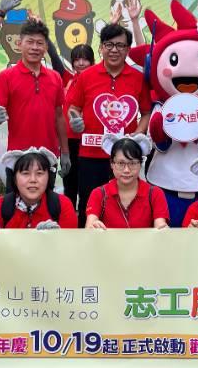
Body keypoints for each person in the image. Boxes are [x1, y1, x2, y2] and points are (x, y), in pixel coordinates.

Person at [68, 24, 152, 224]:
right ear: (101, 48)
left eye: (120, 46)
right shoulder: (86, 76)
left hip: (125, 159)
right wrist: (75, 121)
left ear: (128, 49)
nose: (114, 50)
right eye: (109, 45)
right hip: (91, 154)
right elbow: (74, 107)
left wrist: (135, 136)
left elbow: (147, 112)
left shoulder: (138, 78)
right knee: (88, 206)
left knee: (124, 206)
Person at [0, 20, 70, 175]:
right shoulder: (6, 76)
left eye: (40, 43)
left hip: (49, 155)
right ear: (20, 44)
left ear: (46, 47)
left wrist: (65, 152)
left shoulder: (55, 78)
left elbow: (59, 116)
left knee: (48, 198)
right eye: (30, 42)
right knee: (15, 199)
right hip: (17, 155)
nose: (35, 47)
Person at [85, 135, 169, 229]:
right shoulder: (99, 194)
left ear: (140, 164)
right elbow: (90, 225)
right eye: (121, 163)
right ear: (112, 164)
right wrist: (93, 227)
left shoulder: (155, 193)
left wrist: (163, 230)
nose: (126, 170)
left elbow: (160, 225)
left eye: (132, 163)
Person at [48, 43, 96, 210]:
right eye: (77, 59)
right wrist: (45, 36)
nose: (81, 63)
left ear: (92, 61)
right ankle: (68, 216)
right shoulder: (68, 79)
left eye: (85, 59)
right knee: (69, 183)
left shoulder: (97, 80)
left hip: (89, 142)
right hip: (69, 142)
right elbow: (54, 58)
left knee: (87, 185)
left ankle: (86, 218)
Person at [0, 147, 78, 229]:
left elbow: (70, 245)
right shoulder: (0, 206)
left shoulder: (62, 206)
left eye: (39, 173)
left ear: (49, 177)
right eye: (25, 173)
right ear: (14, 179)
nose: (33, 180)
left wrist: (54, 238)